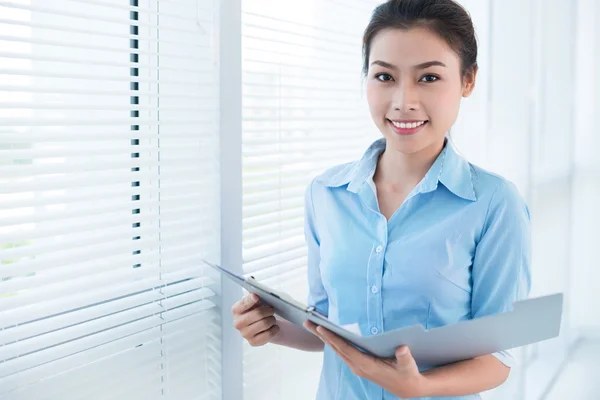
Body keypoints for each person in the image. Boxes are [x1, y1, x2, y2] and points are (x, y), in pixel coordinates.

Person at [231, 0, 532, 398]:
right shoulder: (326, 194)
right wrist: (270, 330)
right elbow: (327, 325)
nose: (403, 100)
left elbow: (498, 358)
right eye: (385, 76)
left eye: (428, 78)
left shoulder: (495, 204)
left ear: (467, 81)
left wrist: (420, 386)